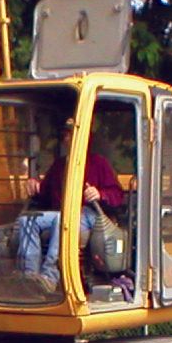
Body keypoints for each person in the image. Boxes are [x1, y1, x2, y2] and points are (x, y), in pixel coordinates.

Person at [15, 118, 125, 290]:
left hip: (89, 215)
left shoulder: (99, 163)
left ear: (85, 138)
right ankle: (29, 275)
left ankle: (50, 276)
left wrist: (100, 193)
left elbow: (117, 195)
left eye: (71, 134)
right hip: (60, 213)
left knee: (63, 219)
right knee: (27, 220)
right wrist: (34, 184)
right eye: (66, 135)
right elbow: (44, 192)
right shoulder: (59, 165)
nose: (67, 139)